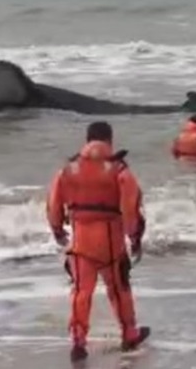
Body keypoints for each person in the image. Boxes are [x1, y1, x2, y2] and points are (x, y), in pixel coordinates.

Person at [47, 121, 150, 363]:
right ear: (109, 141)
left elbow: (53, 204)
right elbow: (130, 209)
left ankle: (78, 341)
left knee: (81, 292)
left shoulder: (67, 170)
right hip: (111, 240)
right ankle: (129, 333)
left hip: (81, 241)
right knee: (119, 289)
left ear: (87, 140)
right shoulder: (119, 170)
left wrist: (56, 229)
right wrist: (134, 237)